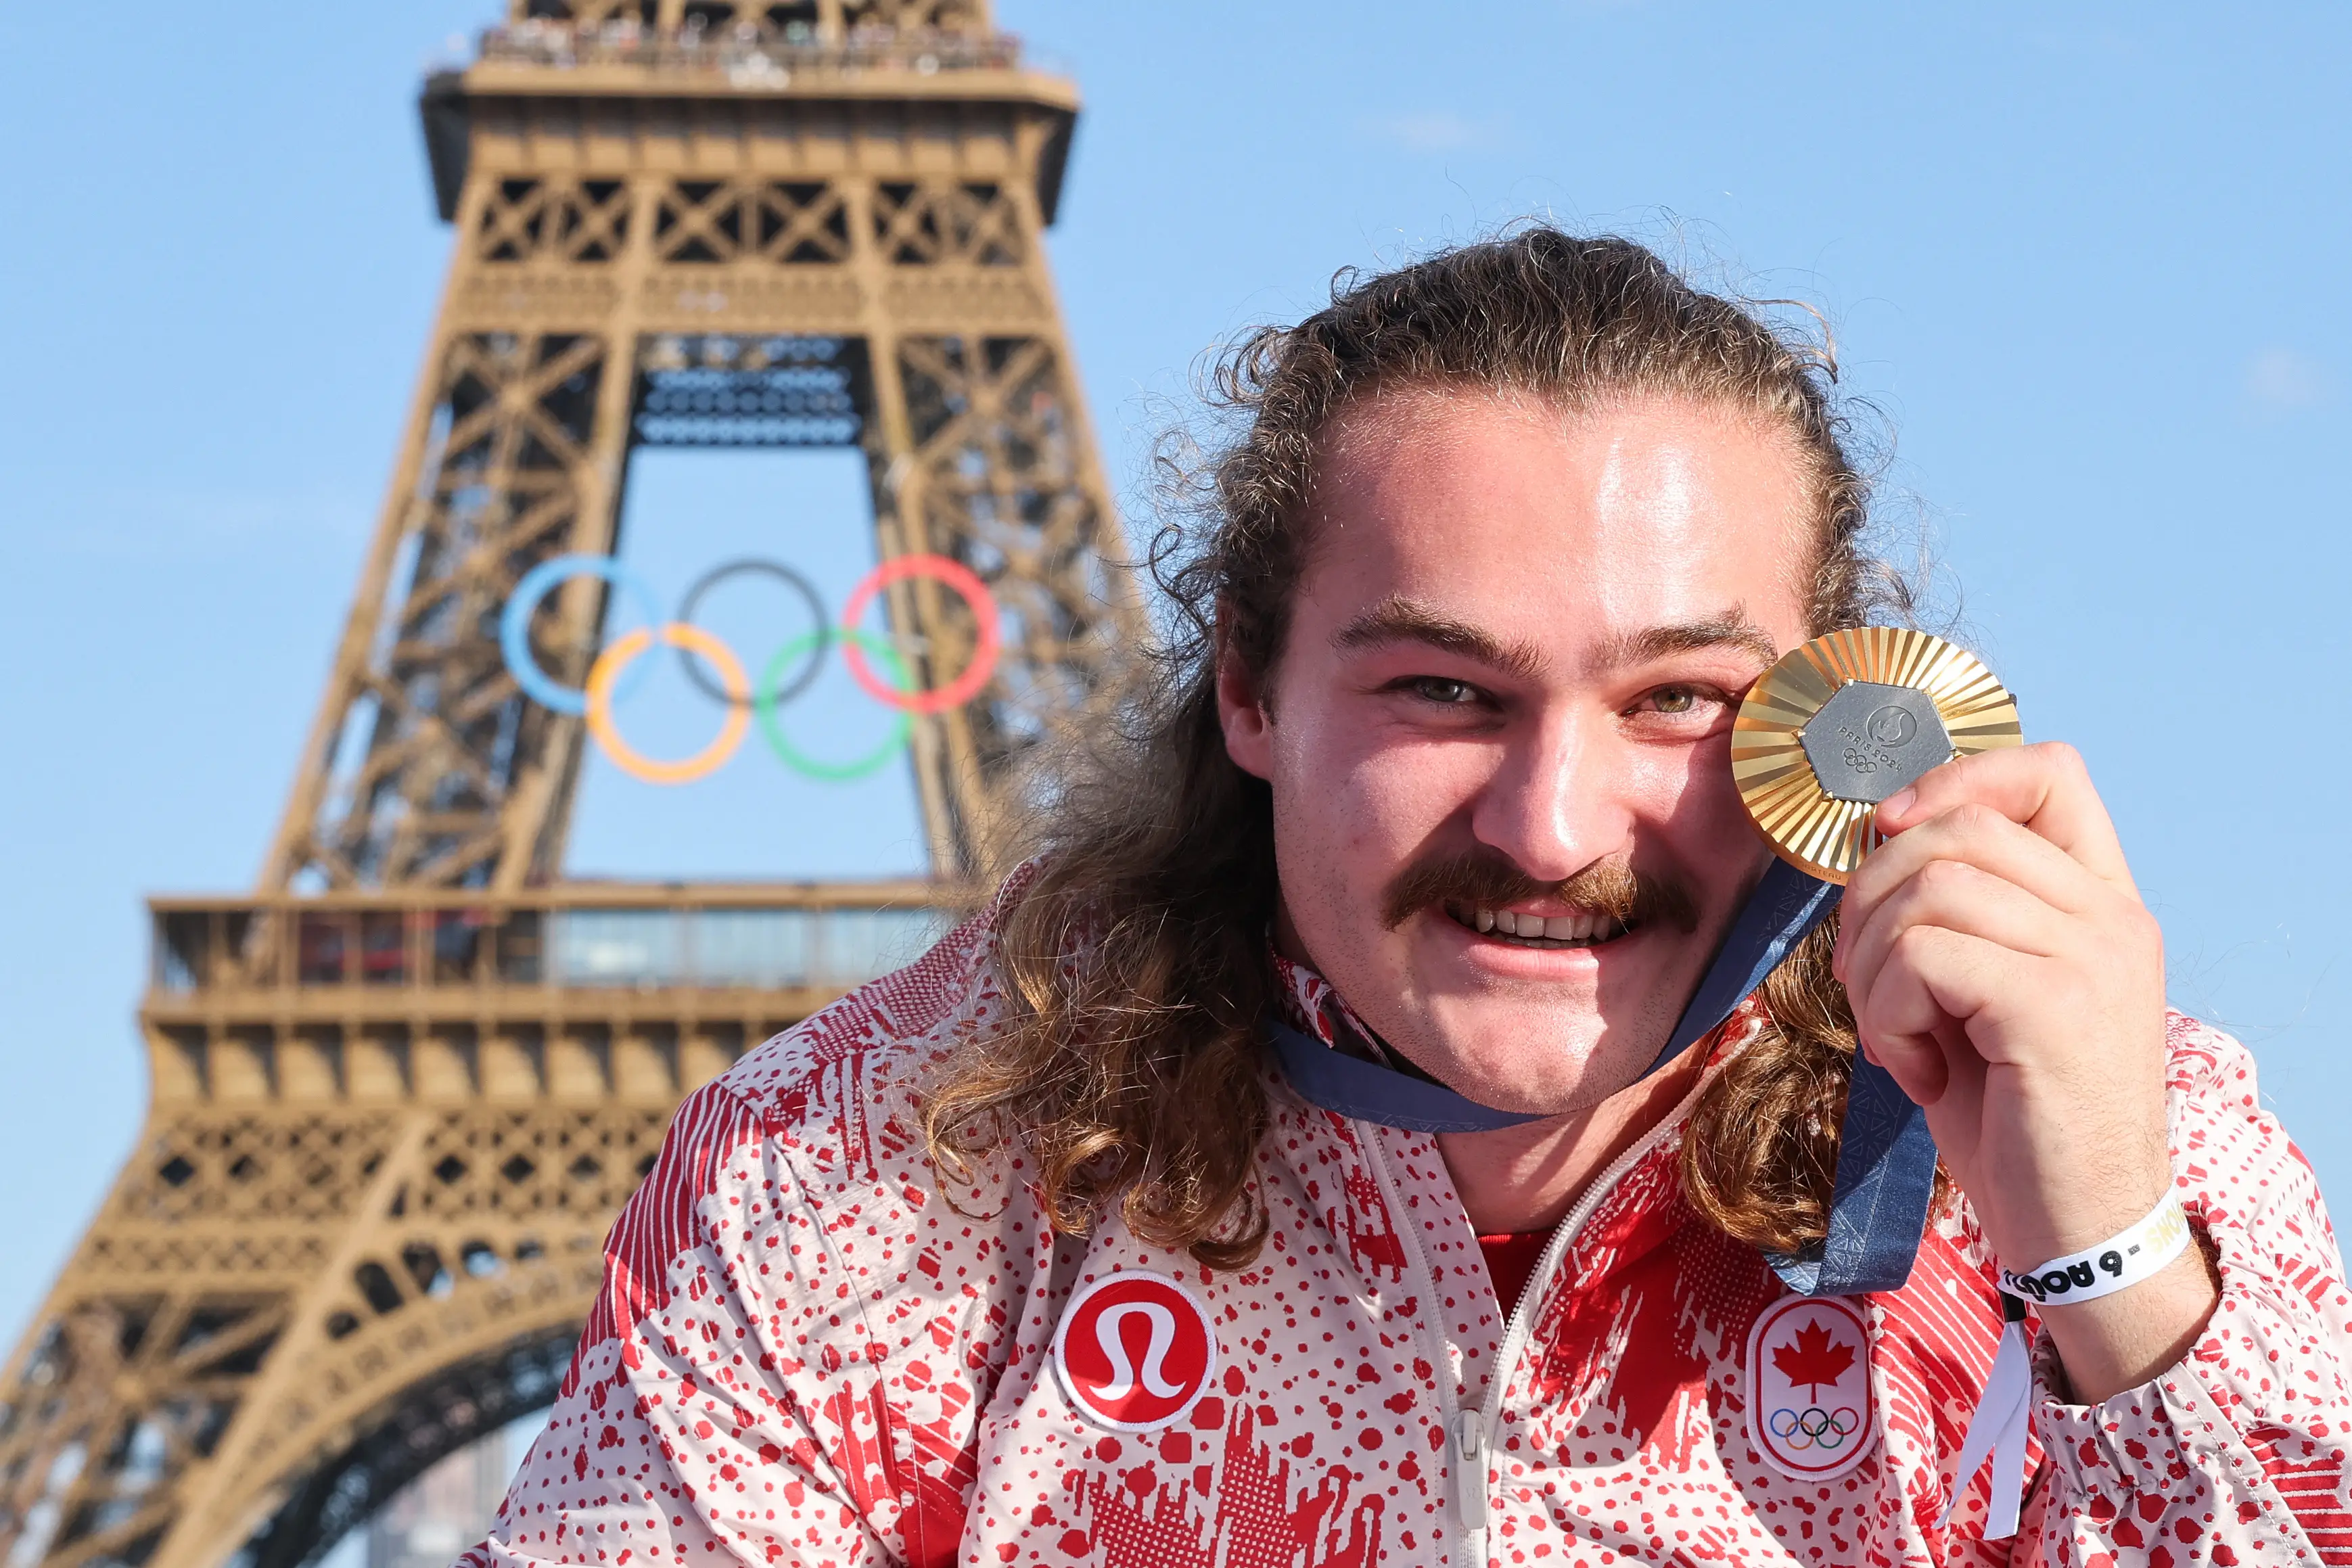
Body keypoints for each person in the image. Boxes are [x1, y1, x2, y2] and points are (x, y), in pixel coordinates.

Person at [459, 230, 2351, 1567]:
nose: (1548, 822)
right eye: (1442, 690)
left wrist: (2104, 1258)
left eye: (1678, 698)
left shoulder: (2129, 1129)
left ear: (1826, 711)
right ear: (1245, 690)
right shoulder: (865, 1169)